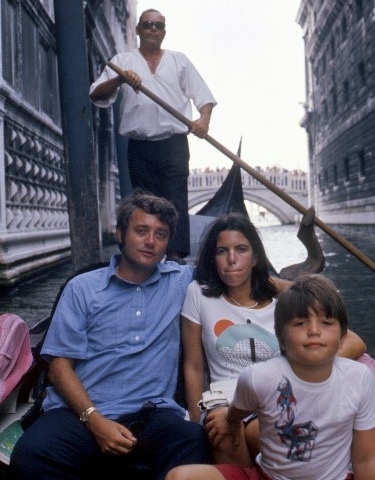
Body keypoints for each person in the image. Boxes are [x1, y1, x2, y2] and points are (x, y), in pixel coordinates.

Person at [9, 189, 211, 480]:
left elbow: (238, 275)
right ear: (120, 233)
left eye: (161, 234)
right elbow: (59, 367)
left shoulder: (181, 281)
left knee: (194, 442)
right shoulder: (82, 288)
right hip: (78, 412)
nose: (151, 241)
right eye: (141, 231)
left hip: (152, 413)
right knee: (32, 456)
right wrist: (94, 420)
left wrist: (290, 288)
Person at [180, 214, 366, 465]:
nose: (232, 259)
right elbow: (193, 366)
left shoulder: (282, 304)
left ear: (256, 258)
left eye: (241, 250)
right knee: (220, 429)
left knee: (262, 432)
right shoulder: (198, 294)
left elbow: (354, 342)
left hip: (275, 394)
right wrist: (195, 419)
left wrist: (279, 285)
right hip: (226, 398)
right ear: (213, 259)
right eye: (222, 251)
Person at [166, 274, 375, 480]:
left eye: (326, 323)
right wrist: (227, 419)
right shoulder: (259, 377)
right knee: (179, 476)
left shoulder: (359, 378)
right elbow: (235, 414)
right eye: (301, 323)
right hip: (267, 475)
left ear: (342, 335)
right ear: (281, 339)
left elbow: (365, 460)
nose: (313, 331)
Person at [89, 8, 217, 263]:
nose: (153, 29)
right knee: (144, 204)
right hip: (140, 145)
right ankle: (145, 256)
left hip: (174, 144)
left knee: (175, 200)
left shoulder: (179, 61)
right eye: (147, 24)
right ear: (138, 30)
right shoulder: (123, 61)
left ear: (164, 32)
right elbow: (96, 94)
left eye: (158, 26)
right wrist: (120, 80)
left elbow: (204, 97)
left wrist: (203, 121)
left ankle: (175, 256)